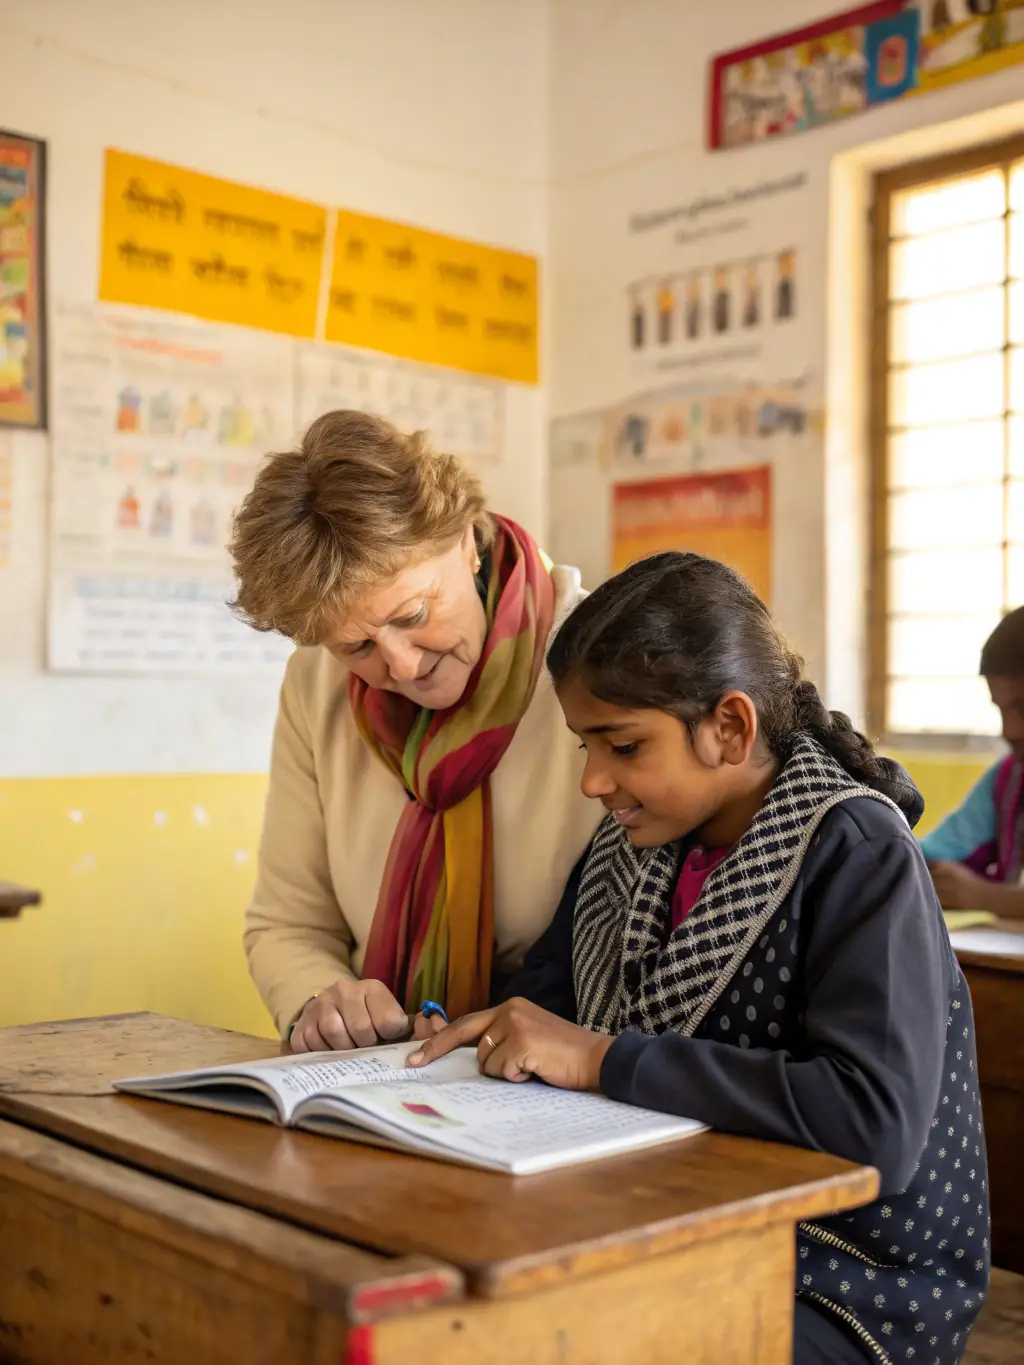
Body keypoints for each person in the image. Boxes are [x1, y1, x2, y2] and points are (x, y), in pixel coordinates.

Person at [412, 553, 990, 1365]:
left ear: (731, 727)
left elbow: (873, 1123)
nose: (593, 780)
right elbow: (544, 1009)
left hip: (845, 1279)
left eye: (623, 745)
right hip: (665, 1221)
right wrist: (465, 1043)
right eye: (585, 746)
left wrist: (604, 1060)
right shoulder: (630, 849)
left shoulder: (856, 851)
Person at [230, 410, 599, 1051]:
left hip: (563, 1060)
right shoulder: (316, 684)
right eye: (357, 647)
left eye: (413, 614)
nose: (400, 666)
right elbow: (288, 923)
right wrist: (321, 1002)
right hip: (390, 1069)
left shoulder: (598, 660)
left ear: (466, 542)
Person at [922, 607, 1024, 919]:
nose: (1009, 730)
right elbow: (928, 854)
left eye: (1022, 708)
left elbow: (975, 893)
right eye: (1001, 710)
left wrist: (985, 897)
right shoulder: (1008, 781)